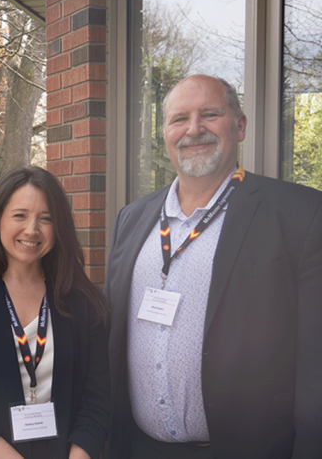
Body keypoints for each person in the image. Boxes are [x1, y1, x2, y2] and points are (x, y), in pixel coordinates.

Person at [105, 74, 322, 458]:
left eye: (209, 114)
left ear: (239, 126)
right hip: (138, 448)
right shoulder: (131, 219)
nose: (194, 129)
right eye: (179, 119)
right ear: (164, 134)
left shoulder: (301, 215)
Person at [0, 166, 110, 459]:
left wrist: (80, 455)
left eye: (46, 218)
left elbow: (97, 399)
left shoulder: (81, 302)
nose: (32, 229)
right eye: (20, 215)